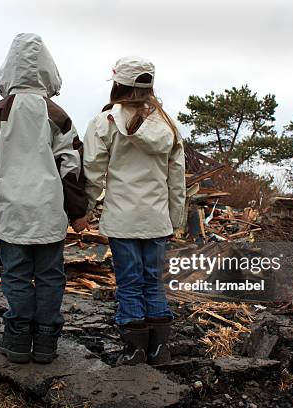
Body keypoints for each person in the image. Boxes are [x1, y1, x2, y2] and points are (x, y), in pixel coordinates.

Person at [0, 33, 87, 364]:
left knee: (16, 274)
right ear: (49, 70)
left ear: (8, 70)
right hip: (49, 212)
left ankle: (19, 339)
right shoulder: (57, 115)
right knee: (50, 275)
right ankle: (47, 342)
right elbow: (73, 167)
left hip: (13, 212)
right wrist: (78, 211)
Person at [77, 56, 186, 366]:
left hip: (122, 220)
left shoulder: (105, 122)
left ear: (118, 84)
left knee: (129, 283)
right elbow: (176, 181)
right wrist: (175, 221)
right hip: (156, 221)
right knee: (152, 282)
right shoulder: (168, 126)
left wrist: (83, 210)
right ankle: (159, 350)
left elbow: (92, 173)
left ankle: (135, 350)